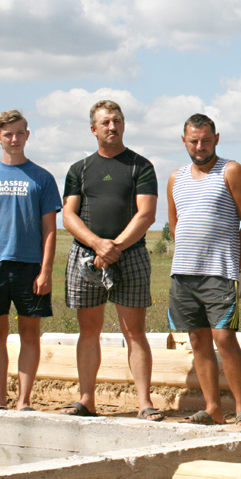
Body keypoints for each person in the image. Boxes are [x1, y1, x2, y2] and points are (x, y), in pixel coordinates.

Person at [61, 100, 162, 421]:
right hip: (87, 258)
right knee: (88, 330)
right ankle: (87, 400)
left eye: (117, 120)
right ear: (93, 129)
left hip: (129, 255)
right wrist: (97, 245)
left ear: (124, 125)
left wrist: (114, 247)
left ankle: (144, 403)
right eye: (105, 122)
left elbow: (146, 213)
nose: (112, 126)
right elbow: (68, 215)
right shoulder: (79, 169)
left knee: (135, 331)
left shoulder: (140, 166)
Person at [167, 114, 241, 426]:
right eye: (194, 141)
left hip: (220, 272)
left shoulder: (231, 171)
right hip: (183, 273)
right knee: (197, 339)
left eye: (206, 140)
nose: (200, 146)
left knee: (224, 337)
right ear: (184, 141)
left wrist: (235, 262)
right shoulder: (175, 178)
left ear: (216, 139)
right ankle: (212, 409)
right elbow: (175, 224)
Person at [0, 110, 61, 410]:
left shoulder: (42, 178)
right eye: (8, 134)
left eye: (20, 133)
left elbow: (49, 229)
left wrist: (46, 271)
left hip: (30, 266)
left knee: (30, 334)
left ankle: (24, 401)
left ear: (27, 135)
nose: (15, 139)